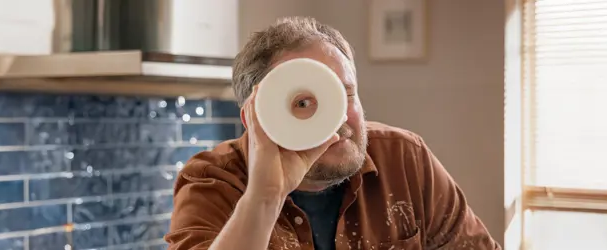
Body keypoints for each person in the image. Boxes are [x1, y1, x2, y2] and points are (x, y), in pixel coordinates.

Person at [164, 16, 501, 250]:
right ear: (255, 119)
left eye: (345, 94)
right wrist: (265, 197)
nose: (337, 118)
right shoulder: (212, 182)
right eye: (303, 102)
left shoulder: (405, 159)